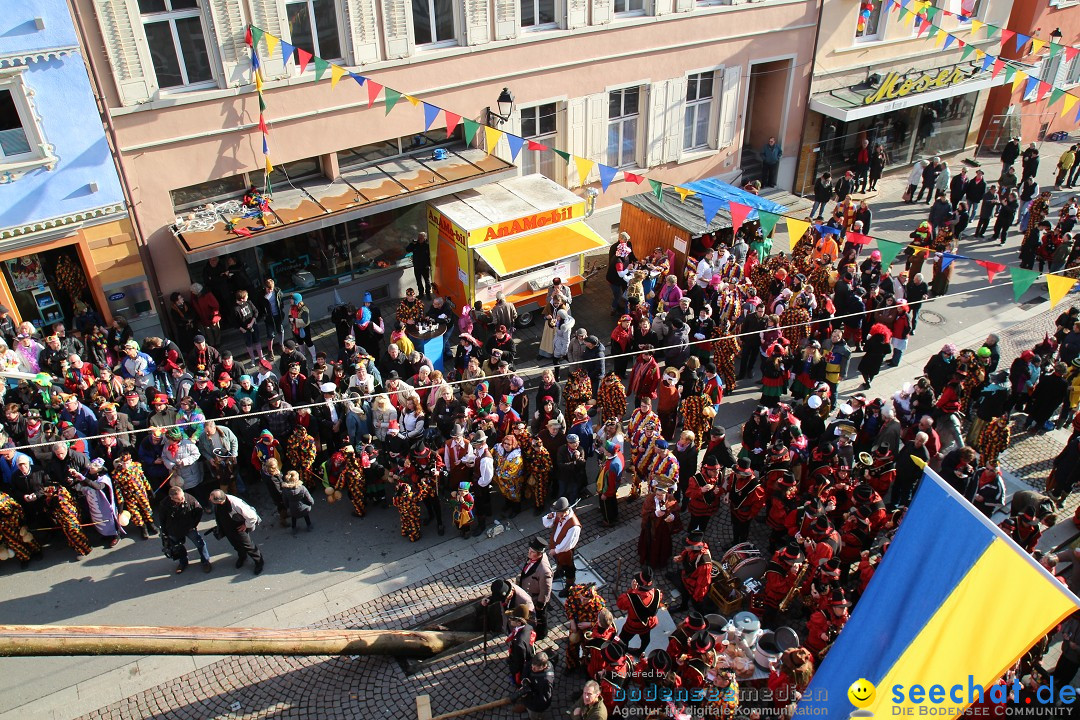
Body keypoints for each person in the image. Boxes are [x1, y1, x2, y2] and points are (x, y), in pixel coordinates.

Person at [157, 485, 212, 574]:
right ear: (172, 498)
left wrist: (193, 525)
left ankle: (206, 561)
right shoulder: (164, 504)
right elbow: (162, 519)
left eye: (182, 497)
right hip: (173, 529)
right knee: (178, 547)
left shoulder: (189, 499)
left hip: (189, 528)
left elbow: (199, 511)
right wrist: (165, 532)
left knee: (200, 543)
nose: (182, 500)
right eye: (178, 499)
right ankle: (183, 562)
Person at [207, 489, 263, 575]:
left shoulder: (235, 503)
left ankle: (259, 561)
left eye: (211, 499)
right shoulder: (219, 503)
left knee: (248, 546)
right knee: (235, 544)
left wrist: (246, 525)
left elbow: (252, 517)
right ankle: (242, 556)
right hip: (227, 528)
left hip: (238, 528)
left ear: (220, 501)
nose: (209, 499)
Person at [544, 496, 582, 597]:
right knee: (559, 562)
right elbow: (546, 523)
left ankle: (569, 586)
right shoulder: (559, 514)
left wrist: (556, 550)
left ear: (565, 511)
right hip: (556, 548)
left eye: (558, 513)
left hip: (564, 551)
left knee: (569, 568)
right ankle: (559, 571)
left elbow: (567, 543)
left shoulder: (573, 525)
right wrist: (549, 517)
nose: (557, 515)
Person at [616, 568, 662, 652]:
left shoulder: (630, 598)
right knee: (645, 638)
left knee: (623, 639)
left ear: (639, 584)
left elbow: (620, 604)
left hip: (633, 625)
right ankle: (640, 651)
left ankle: (622, 652)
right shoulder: (657, 593)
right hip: (648, 623)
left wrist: (632, 590)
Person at [518, 536, 554, 640]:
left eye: (532, 551)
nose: (529, 553)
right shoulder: (533, 558)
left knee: (540, 617)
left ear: (539, 554)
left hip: (536, 598)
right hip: (528, 593)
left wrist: (540, 604)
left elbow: (545, 590)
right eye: (529, 550)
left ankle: (541, 633)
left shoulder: (544, 570)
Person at [405, 231, 432, 298]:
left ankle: (428, 293)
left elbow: (431, 255)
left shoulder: (427, 245)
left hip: (425, 266)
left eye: (421, 238)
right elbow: (407, 250)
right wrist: (412, 244)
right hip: (417, 266)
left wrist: (429, 264)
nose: (419, 239)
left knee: (427, 281)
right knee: (418, 281)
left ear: (424, 238)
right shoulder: (415, 244)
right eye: (419, 237)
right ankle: (421, 293)